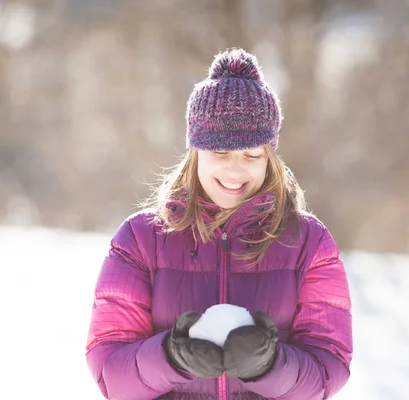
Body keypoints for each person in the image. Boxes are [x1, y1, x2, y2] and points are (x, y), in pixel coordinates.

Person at [85, 48, 353, 400]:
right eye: (219, 152)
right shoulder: (140, 239)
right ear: (195, 150)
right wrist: (171, 356)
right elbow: (110, 373)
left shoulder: (309, 243)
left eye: (252, 155)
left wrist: (268, 364)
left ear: (269, 155)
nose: (235, 170)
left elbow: (328, 368)